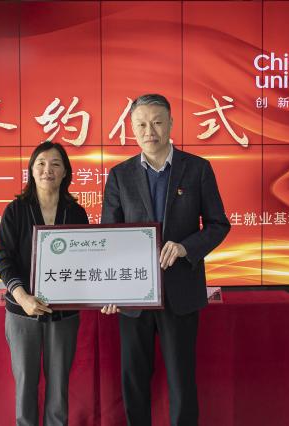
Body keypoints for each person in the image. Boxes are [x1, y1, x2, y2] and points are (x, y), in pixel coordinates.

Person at [101, 94, 231, 425]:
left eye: (157, 122)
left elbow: (218, 225)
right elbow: (108, 238)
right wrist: (110, 290)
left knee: (181, 379)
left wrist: (186, 248)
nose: (150, 131)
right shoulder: (120, 175)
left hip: (181, 291)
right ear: (132, 128)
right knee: (134, 379)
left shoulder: (197, 169)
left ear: (171, 123)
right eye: (141, 124)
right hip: (132, 295)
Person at [0, 141, 89, 426]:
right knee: (25, 383)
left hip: (64, 314)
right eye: (41, 164)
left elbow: (87, 260)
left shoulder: (76, 213)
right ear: (31, 170)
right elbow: (4, 259)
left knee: (59, 387)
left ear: (65, 172)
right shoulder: (16, 210)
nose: (48, 170)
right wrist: (23, 297)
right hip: (22, 311)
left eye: (55, 164)